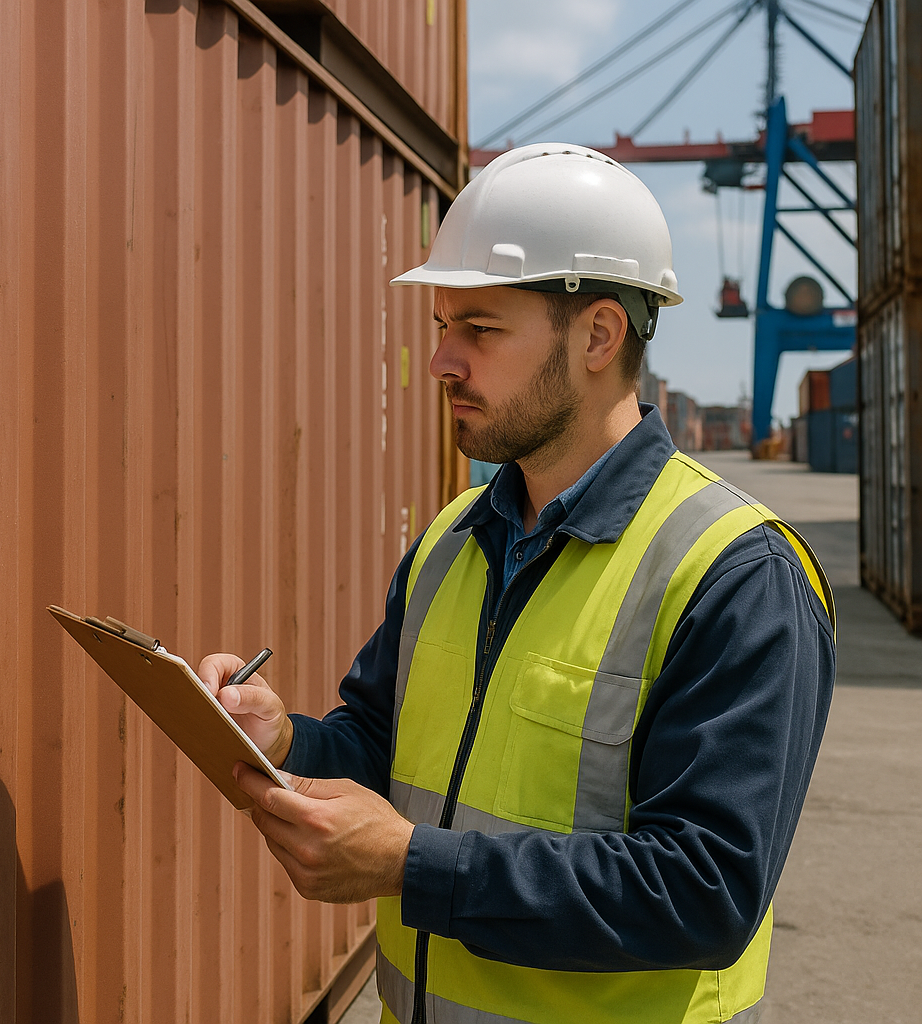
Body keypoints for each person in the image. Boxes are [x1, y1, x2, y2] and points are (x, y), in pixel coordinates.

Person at [198, 144, 836, 1024]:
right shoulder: (452, 542)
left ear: (599, 336)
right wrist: (290, 742)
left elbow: (706, 890)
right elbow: (385, 750)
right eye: (442, 327)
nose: (442, 363)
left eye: (482, 330)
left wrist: (409, 866)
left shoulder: (736, 576)